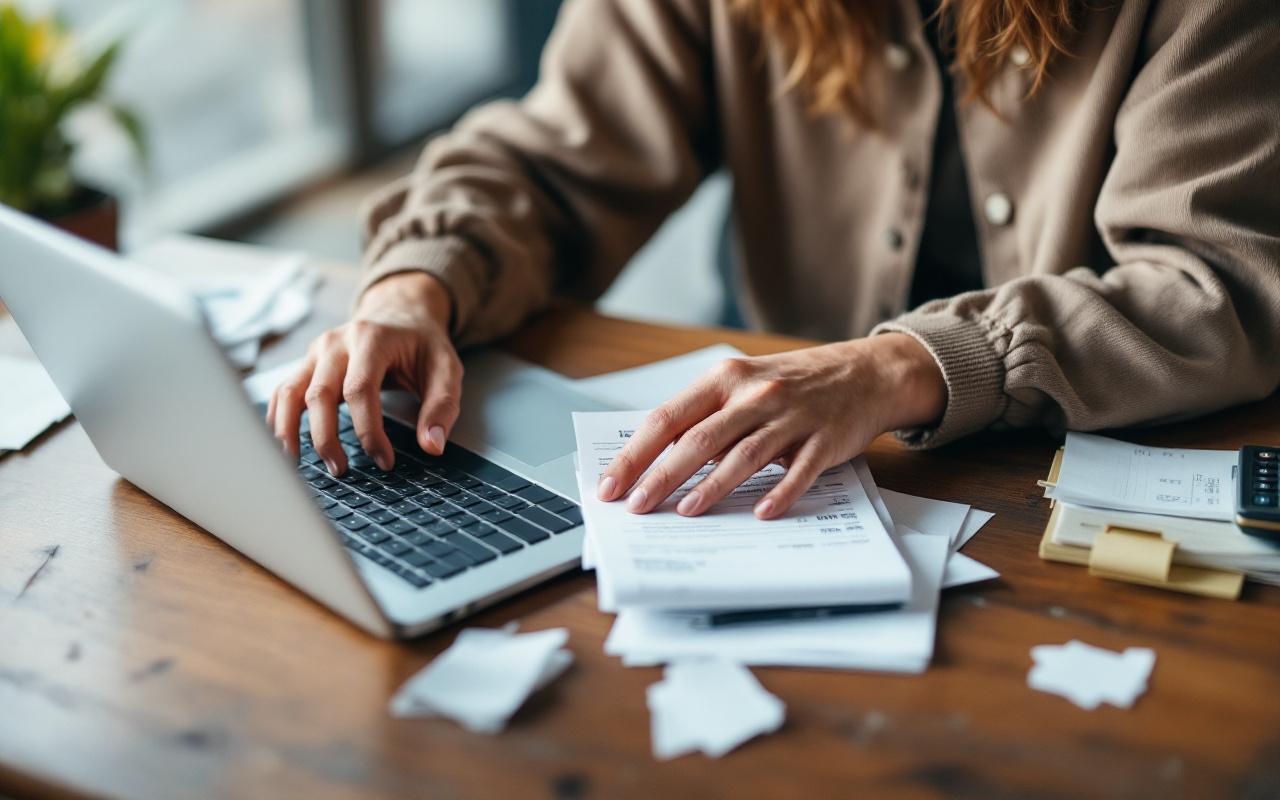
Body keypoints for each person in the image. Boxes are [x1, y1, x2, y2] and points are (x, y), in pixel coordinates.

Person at [269, 0, 1280, 520]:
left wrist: (896, 368)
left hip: (1093, 471)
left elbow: (1211, 282)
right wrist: (419, 279)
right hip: (785, 472)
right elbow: (555, 158)